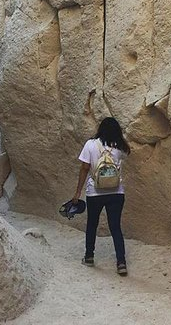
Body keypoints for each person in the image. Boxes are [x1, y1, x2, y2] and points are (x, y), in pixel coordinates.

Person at [72, 117, 131, 275]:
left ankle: (89, 256)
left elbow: (85, 168)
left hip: (95, 192)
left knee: (92, 224)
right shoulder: (120, 146)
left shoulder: (90, 144)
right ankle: (121, 262)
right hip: (116, 192)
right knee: (115, 227)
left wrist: (78, 191)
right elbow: (126, 154)